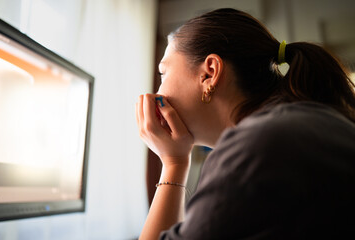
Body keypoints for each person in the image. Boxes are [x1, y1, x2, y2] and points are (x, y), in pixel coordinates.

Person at [135, 8, 355, 240]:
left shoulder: (256, 146)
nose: (158, 93)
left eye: (163, 74)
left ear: (210, 73)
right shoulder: (299, 126)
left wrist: (173, 164)